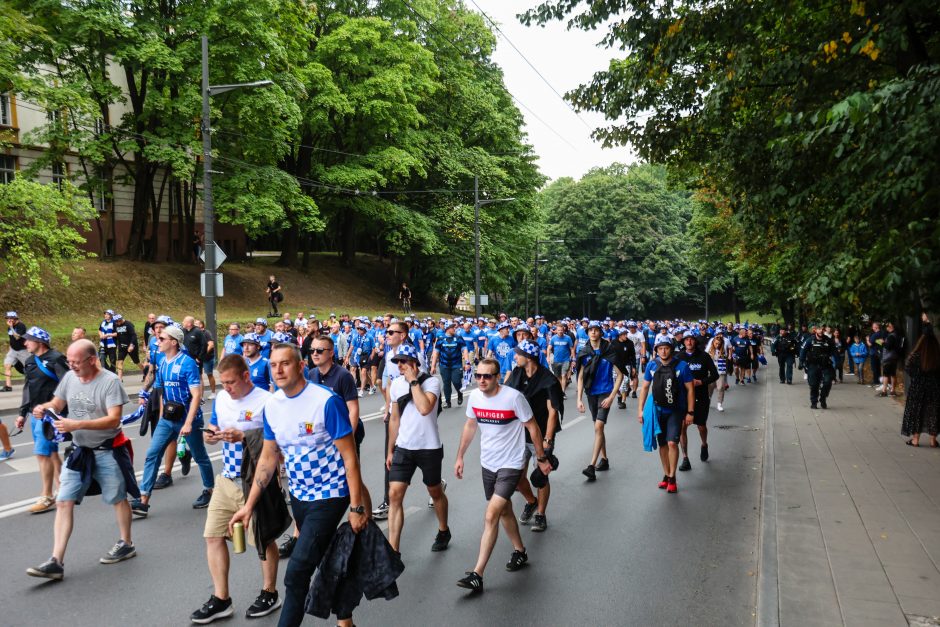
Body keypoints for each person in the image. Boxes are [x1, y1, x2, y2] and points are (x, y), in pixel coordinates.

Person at [229, 343, 370, 627]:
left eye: (285, 363)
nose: (278, 370)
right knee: (325, 561)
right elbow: (268, 458)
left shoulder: (325, 401)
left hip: (331, 493)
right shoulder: (272, 406)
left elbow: (349, 456)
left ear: (300, 366)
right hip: (301, 496)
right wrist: (249, 505)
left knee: (296, 572)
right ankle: (346, 620)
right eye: (273, 365)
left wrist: (356, 506)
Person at [26, 338, 134, 580]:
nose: (71, 366)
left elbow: (114, 419)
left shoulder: (110, 382)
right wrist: (45, 407)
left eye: (76, 362)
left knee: (117, 498)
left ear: (92, 360)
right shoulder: (69, 378)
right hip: (79, 451)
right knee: (63, 500)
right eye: (69, 361)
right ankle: (56, 561)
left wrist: (77, 423)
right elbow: (58, 401)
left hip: (107, 449)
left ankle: (126, 542)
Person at [192, 355, 281, 623]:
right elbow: (214, 426)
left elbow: (277, 444)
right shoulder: (221, 399)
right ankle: (221, 599)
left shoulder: (268, 401)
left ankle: (270, 592)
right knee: (213, 536)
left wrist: (243, 436)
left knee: (263, 539)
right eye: (223, 382)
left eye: (231, 382)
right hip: (227, 478)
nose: (226, 388)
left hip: (254, 479)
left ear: (246, 377)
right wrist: (211, 434)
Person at [454, 358, 553, 592]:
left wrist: (540, 458)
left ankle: (477, 574)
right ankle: (520, 551)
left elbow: (533, 427)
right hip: (488, 463)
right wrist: (460, 456)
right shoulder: (475, 397)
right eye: (478, 375)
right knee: (505, 509)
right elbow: (470, 426)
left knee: (491, 515)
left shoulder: (513, 397)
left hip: (511, 463)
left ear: (498, 376)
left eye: (487, 376)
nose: (481, 380)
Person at [131, 324, 215, 517]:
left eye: (162, 339)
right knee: (152, 454)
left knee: (200, 454)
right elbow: (161, 392)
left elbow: (196, 395)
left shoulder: (187, 363)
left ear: (174, 342)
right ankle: (144, 500)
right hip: (167, 419)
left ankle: (209, 490)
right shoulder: (161, 360)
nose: (157, 341)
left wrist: (188, 423)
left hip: (188, 419)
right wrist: (161, 416)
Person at [386, 344, 450, 553]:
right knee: (395, 494)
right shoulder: (395, 385)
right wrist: (390, 449)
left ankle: (443, 530)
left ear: (415, 362)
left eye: (404, 361)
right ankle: (393, 550)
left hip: (428, 447)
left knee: (435, 491)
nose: (400, 366)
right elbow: (394, 418)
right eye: (398, 362)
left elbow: (424, 408)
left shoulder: (431, 382)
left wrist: (413, 381)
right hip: (404, 447)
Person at [506, 340, 562, 533]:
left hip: (540, 433)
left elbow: (553, 411)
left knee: (541, 475)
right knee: (517, 476)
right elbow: (505, 396)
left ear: (528, 357)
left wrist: (547, 439)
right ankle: (531, 501)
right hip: (519, 434)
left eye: (518, 353)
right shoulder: (517, 373)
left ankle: (540, 514)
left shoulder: (548, 379)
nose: (515, 356)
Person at [13, 326, 70, 511]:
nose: (25, 343)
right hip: (35, 414)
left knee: (42, 453)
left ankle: (46, 496)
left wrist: (55, 408)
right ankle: (63, 489)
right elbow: (28, 389)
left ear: (39, 342)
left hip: (51, 415)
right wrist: (22, 413)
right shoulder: (30, 361)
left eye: (28, 339)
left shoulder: (56, 358)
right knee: (50, 452)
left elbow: (67, 384)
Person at [637, 336, 695, 494]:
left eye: (666, 348)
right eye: (660, 348)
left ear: (671, 349)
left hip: (676, 411)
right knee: (662, 444)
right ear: (656, 350)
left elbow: (690, 389)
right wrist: (640, 410)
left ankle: (673, 477)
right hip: (657, 410)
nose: (663, 351)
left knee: (671, 443)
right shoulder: (652, 365)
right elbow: (644, 388)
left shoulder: (682, 366)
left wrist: (690, 412)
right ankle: (666, 473)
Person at [576, 321, 625, 482]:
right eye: (591, 330)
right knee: (598, 428)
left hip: (605, 392)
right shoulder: (584, 351)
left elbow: (620, 375)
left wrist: (612, 397)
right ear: (587, 332)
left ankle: (591, 466)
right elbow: (581, 376)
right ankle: (604, 459)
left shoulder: (609, 350)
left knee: (598, 426)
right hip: (591, 393)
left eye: (596, 330)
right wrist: (579, 399)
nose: (593, 332)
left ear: (600, 333)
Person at [677, 333, 719, 471]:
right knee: (682, 427)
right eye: (686, 340)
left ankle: (704, 444)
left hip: (700, 396)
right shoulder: (679, 357)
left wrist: (701, 382)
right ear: (683, 342)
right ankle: (685, 458)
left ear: (695, 342)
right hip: (683, 398)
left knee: (701, 426)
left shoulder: (704, 356)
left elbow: (715, 375)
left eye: (691, 340)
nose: (689, 342)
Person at [901, 316, 939, 447]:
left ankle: (915, 439)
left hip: (918, 386)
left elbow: (907, 367)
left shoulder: (917, 355)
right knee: (933, 411)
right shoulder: (937, 355)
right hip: (934, 386)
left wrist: (916, 376)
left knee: (917, 411)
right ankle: (933, 440)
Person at [431, 321, 470, 408]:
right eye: (453, 327)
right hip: (444, 365)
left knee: (456, 381)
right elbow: (436, 353)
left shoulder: (459, 338)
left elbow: (465, 350)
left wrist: (467, 362)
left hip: (456, 365)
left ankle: (460, 393)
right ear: (448, 329)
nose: (454, 329)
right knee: (446, 383)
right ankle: (448, 402)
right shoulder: (440, 339)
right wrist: (433, 366)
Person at [800, 325, 836, 409]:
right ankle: (814, 402)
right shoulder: (810, 340)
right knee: (814, 384)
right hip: (813, 365)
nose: (820, 331)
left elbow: (834, 351)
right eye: (819, 329)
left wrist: (837, 362)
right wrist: (801, 362)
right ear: (815, 330)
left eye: (822, 330)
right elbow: (803, 350)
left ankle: (823, 398)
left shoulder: (829, 340)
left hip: (826, 365)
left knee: (828, 382)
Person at [548, 323, 575, 395]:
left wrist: (573, 357)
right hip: (556, 360)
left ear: (564, 330)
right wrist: (548, 357)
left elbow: (572, 349)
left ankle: (563, 392)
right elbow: (549, 348)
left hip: (565, 360)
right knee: (558, 376)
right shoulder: (553, 338)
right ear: (556, 331)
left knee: (563, 375)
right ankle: (560, 389)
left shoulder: (568, 338)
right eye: (558, 330)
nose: (560, 331)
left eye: (561, 330)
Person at [5, 311, 30, 391]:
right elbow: (11, 339)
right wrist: (10, 349)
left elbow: (17, 337)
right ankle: (8, 386)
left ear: (15, 318)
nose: (9, 320)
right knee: (7, 365)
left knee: (29, 367)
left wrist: (11, 327)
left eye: (11, 318)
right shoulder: (9, 327)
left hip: (23, 350)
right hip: (13, 350)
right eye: (8, 318)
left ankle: (32, 383)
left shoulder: (21, 326)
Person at [113, 313, 140, 382]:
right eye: (116, 322)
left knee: (136, 362)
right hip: (122, 346)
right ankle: (120, 378)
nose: (117, 323)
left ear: (121, 319)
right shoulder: (116, 325)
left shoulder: (128, 324)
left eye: (118, 321)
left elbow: (133, 336)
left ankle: (146, 372)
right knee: (120, 362)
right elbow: (117, 335)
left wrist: (131, 345)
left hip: (131, 346)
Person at [879, 321, 903, 397]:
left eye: (887, 326)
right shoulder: (897, 335)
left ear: (891, 327)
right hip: (894, 357)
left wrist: (882, 342)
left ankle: (884, 391)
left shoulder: (891, 336)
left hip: (888, 358)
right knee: (893, 374)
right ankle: (892, 390)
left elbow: (888, 346)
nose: (886, 328)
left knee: (886, 375)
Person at [196, 319, 218, 400]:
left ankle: (213, 393)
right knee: (199, 375)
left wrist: (204, 353)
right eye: (195, 323)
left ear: (202, 325)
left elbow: (211, 345)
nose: (195, 324)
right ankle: (200, 396)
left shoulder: (206, 333)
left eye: (197, 323)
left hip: (207, 357)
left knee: (209, 374)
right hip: (199, 358)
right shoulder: (196, 333)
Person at [707, 336, 729, 412]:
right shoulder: (709, 350)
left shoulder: (723, 351)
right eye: (716, 343)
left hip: (721, 371)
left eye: (719, 344)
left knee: (721, 387)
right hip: (711, 371)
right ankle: (708, 400)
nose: (717, 345)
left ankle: (719, 403)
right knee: (710, 387)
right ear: (713, 343)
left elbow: (726, 362)